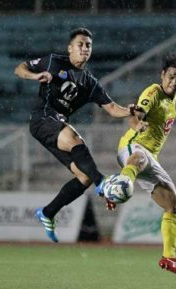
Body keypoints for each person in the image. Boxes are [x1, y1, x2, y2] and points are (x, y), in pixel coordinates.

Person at [14, 27, 138, 243]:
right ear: (69, 48)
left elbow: (111, 108)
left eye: (88, 45)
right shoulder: (53, 61)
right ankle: (103, 184)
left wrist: (129, 111)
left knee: (84, 176)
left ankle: (48, 212)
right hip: (43, 119)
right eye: (80, 44)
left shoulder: (89, 83)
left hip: (56, 124)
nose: (84, 48)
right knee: (75, 139)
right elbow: (20, 68)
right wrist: (35, 76)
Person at [115, 54, 176, 276]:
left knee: (175, 207)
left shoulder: (175, 92)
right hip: (133, 146)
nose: (174, 82)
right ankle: (117, 186)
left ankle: (169, 258)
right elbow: (136, 114)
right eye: (170, 77)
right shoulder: (153, 92)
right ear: (162, 75)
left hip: (151, 157)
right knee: (140, 158)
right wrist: (137, 124)